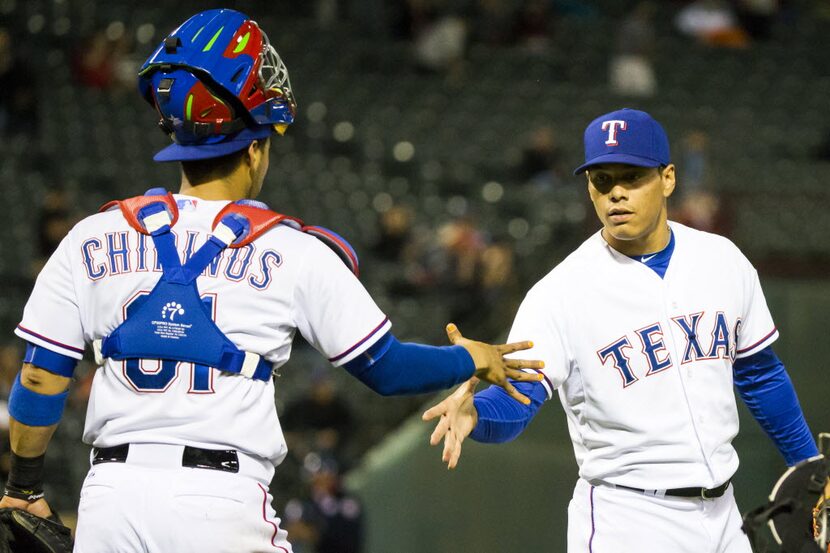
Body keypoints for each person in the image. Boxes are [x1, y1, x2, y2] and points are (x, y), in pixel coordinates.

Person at [0, 9, 542, 553]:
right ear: (256, 146)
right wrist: (472, 357)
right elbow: (389, 369)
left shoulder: (91, 236)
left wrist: (24, 488)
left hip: (109, 500)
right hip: (218, 501)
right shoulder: (295, 251)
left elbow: (42, 377)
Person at [423, 107, 819, 553]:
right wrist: (477, 414)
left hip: (725, 513)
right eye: (602, 180)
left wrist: (809, 467)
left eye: (632, 177)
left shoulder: (722, 259)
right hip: (629, 521)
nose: (616, 194)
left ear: (667, 178)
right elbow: (519, 397)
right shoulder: (560, 292)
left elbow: (759, 374)